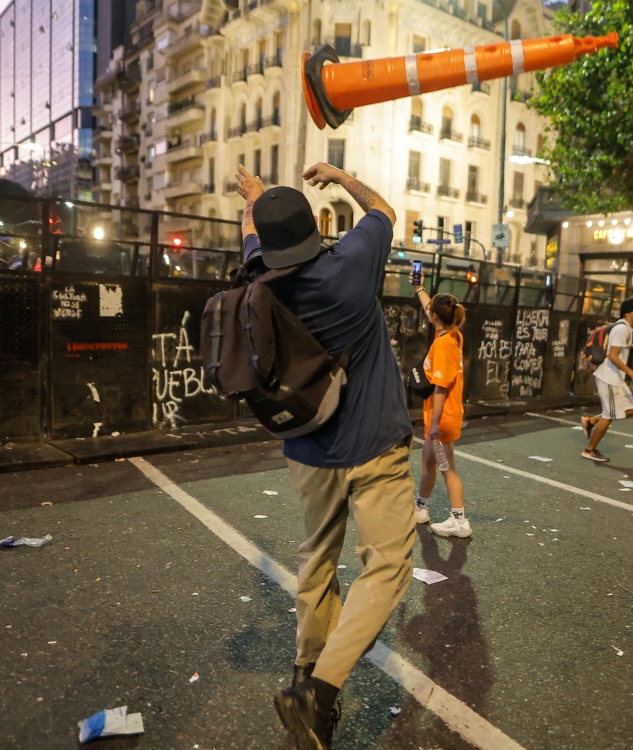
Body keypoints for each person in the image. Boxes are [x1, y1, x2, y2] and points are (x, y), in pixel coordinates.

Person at [236, 162, 414, 749]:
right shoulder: (351, 267)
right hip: (374, 443)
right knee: (387, 565)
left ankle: (303, 668)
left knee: (317, 559)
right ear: (316, 223)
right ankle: (318, 695)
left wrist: (255, 198)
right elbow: (384, 211)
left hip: (309, 448)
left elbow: (251, 231)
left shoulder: (259, 273)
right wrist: (342, 178)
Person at [411, 277, 471, 538]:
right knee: (428, 462)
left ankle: (460, 521)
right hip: (440, 417)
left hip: (442, 418)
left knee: (447, 468)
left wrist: (434, 424)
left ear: (435, 317)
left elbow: (440, 388)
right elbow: (429, 309)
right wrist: (419, 289)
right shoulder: (451, 333)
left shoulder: (444, 344)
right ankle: (420, 508)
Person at [582, 298, 633, 462]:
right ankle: (589, 450)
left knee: (630, 409)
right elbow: (612, 355)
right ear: (628, 313)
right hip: (609, 378)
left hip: (616, 378)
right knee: (609, 415)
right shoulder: (622, 329)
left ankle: (591, 421)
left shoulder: (627, 329)